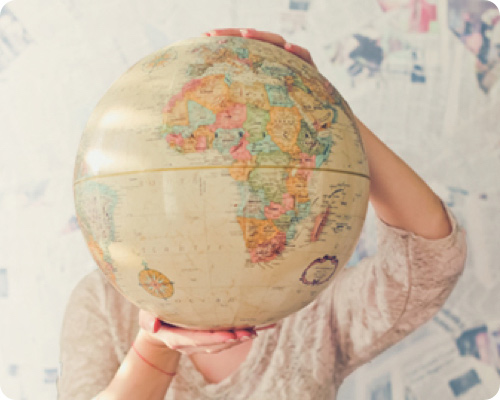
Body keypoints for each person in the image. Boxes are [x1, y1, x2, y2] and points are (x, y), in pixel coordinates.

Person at [57, 28, 467, 400]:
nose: (201, 188)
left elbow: (431, 254)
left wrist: (326, 111)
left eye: (234, 156)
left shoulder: (309, 298)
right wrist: (158, 343)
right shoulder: (102, 303)